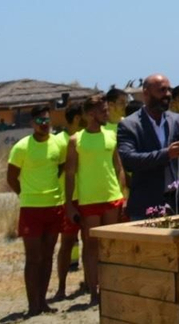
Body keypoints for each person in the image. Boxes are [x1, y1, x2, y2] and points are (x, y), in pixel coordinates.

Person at [63, 95, 125, 307]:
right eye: (103, 111)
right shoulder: (76, 140)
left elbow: (118, 167)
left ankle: (112, 287)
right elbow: (70, 173)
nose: (107, 114)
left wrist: (122, 192)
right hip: (89, 200)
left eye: (107, 110)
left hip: (112, 197)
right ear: (91, 114)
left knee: (111, 244)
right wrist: (69, 203)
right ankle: (93, 292)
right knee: (91, 246)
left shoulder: (111, 136)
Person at [6, 104, 66, 318]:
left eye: (47, 120)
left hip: (54, 205)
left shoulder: (58, 144)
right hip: (31, 208)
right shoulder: (22, 147)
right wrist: (25, 193)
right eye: (40, 121)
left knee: (48, 255)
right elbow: (11, 177)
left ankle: (43, 302)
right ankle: (32, 305)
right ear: (32, 124)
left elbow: (61, 166)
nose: (45, 124)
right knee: (33, 258)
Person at [116, 73, 179, 219]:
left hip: (177, 203)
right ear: (146, 93)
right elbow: (129, 161)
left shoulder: (177, 120)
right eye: (162, 90)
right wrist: (166, 154)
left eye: (169, 90)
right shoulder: (129, 125)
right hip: (146, 204)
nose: (167, 94)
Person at [53, 100, 86, 298]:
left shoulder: (87, 137)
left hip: (89, 196)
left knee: (91, 244)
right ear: (76, 118)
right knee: (66, 244)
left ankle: (90, 283)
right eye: (85, 114)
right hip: (69, 199)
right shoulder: (58, 141)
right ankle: (61, 288)